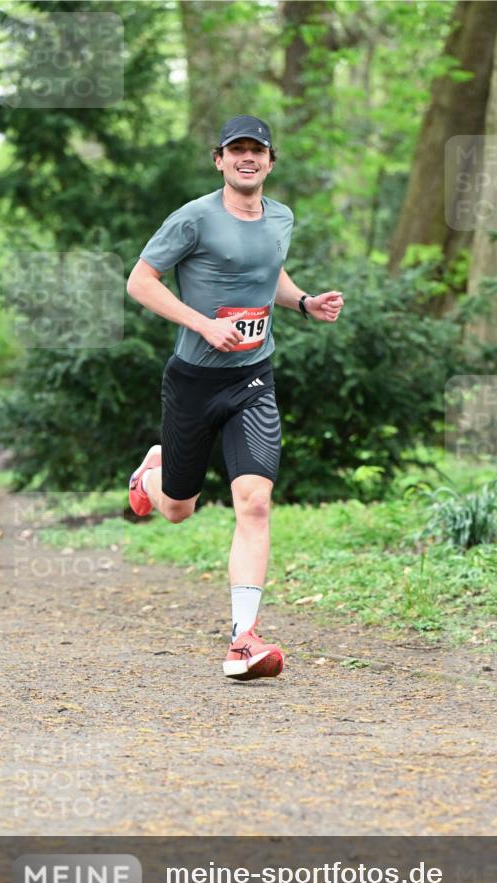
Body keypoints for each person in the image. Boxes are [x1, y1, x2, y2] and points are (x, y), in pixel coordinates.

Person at [126, 114, 344, 681]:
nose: (247, 158)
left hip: (252, 379)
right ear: (219, 160)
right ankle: (152, 474)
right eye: (236, 150)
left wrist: (302, 302)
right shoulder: (193, 219)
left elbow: (267, 271)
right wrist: (201, 324)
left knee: (254, 502)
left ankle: (242, 638)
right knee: (177, 508)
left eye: (258, 151)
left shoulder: (281, 217)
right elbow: (140, 281)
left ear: (270, 162)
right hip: (194, 381)